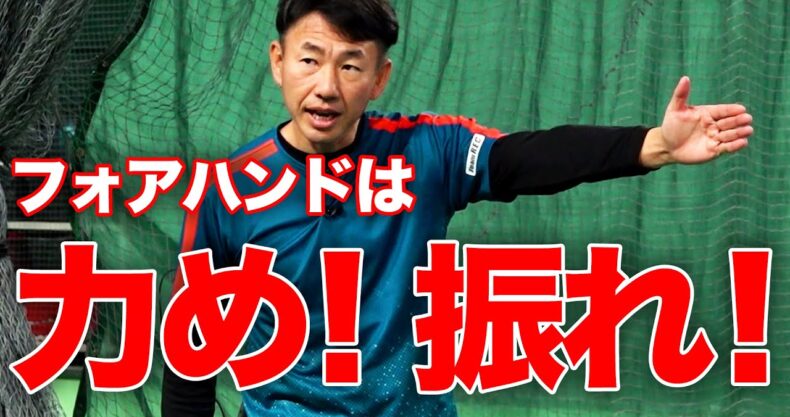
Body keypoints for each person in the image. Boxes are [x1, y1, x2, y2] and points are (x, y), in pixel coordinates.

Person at [161, 0, 753, 416]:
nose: (327, 86)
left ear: (379, 78)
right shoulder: (227, 189)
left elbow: (523, 159)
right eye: (309, 59)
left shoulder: (427, 150)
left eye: (350, 65)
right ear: (277, 61)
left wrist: (654, 144)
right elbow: (193, 339)